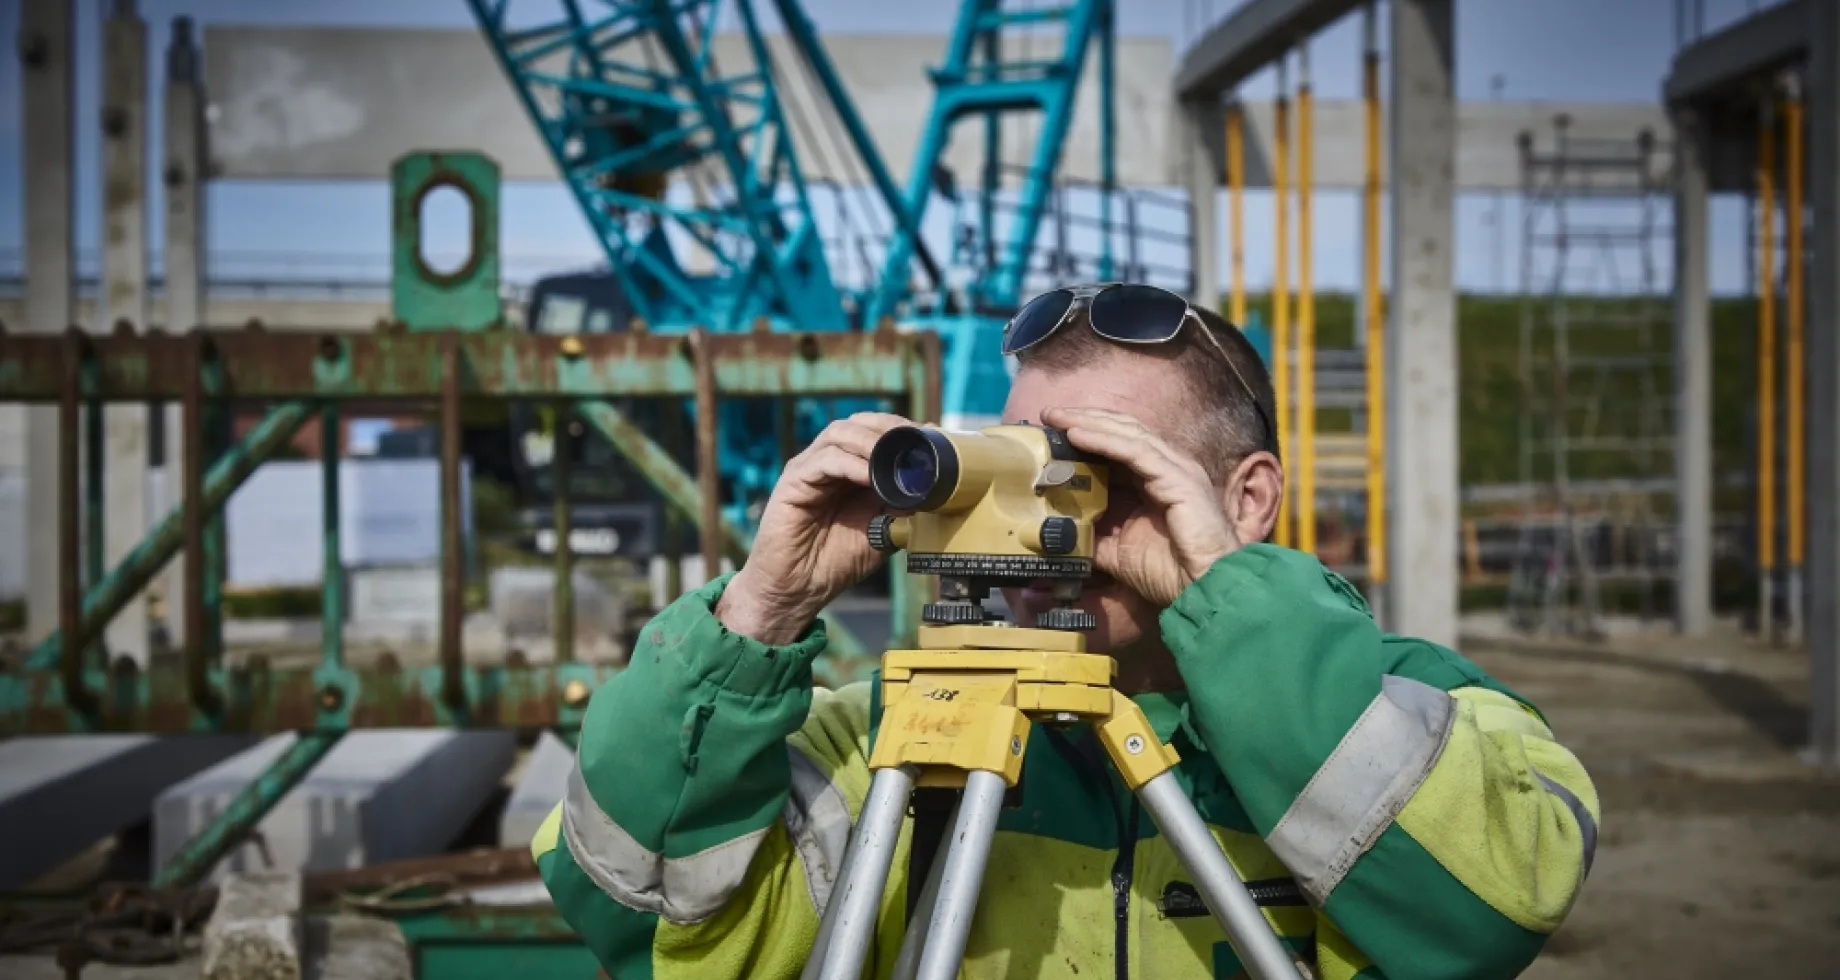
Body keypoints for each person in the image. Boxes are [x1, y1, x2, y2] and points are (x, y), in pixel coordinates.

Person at [530, 283, 1599, 980]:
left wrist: (1228, 598)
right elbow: (630, 903)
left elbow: (1489, 912)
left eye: (1109, 474)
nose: (1059, 525)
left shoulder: (1406, 700)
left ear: (1247, 496)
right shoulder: (895, 733)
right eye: (1020, 459)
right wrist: (758, 611)